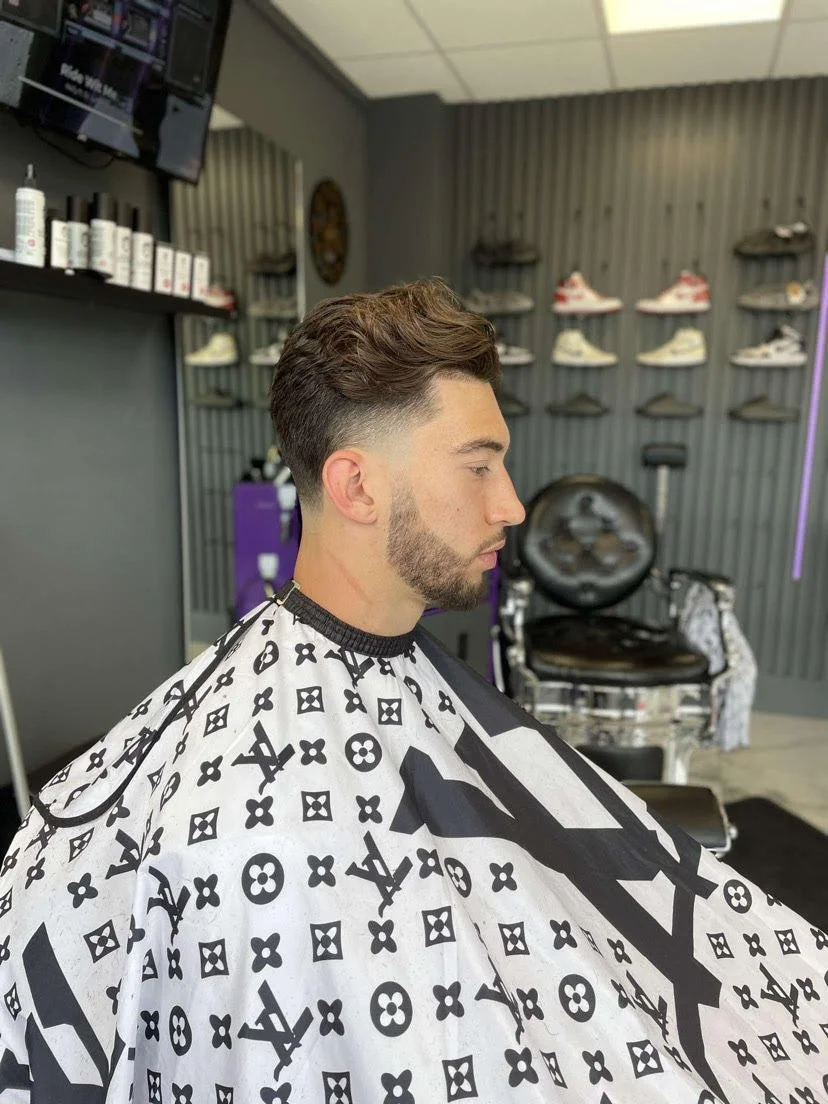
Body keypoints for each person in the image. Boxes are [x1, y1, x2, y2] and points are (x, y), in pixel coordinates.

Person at [0, 279, 824, 1103]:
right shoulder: (239, 813)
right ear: (358, 487)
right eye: (479, 467)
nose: (511, 505)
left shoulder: (424, 680)